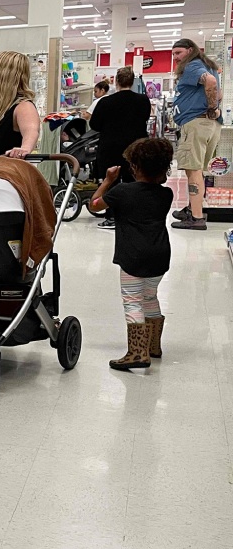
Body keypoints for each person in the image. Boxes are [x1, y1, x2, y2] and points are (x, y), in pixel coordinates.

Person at [90, 138, 174, 371]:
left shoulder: (122, 192)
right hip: (160, 254)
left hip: (132, 255)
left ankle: (137, 353)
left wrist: (107, 181)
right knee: (150, 297)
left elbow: (94, 204)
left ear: (135, 167)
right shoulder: (165, 194)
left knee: (132, 300)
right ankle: (153, 346)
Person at [169, 38, 222, 230]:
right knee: (198, 169)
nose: (175, 57)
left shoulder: (192, 66)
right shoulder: (209, 65)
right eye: (173, 53)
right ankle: (193, 208)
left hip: (196, 123)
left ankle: (197, 217)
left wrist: (210, 107)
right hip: (209, 124)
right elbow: (219, 91)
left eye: (178, 53)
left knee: (193, 170)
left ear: (190, 51)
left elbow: (210, 82)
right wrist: (214, 108)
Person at [89, 67, 151, 229]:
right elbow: (145, 118)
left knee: (111, 181)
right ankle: (132, 214)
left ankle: (112, 217)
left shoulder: (105, 102)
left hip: (111, 147)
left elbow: (94, 124)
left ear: (116, 81)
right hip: (136, 147)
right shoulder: (143, 100)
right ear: (132, 81)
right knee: (134, 180)